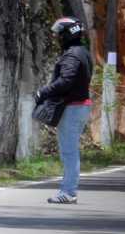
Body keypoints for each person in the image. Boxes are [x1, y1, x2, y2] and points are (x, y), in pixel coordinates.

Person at [35, 17, 93, 204]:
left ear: (68, 34)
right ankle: (68, 190)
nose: (57, 38)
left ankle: (68, 192)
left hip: (72, 108)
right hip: (79, 106)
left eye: (59, 35)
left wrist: (43, 92)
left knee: (69, 152)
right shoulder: (82, 52)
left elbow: (66, 81)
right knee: (70, 150)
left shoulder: (72, 55)